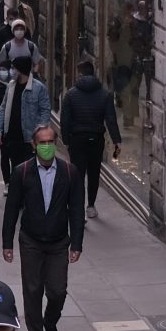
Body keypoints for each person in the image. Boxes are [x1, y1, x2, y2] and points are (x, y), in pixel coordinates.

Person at [2, 121, 86, 331]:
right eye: (42, 143)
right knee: (32, 290)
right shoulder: (22, 172)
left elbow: (77, 210)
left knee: (58, 290)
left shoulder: (70, 172)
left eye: (51, 142)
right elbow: (11, 209)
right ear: (34, 145)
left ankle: (50, 322)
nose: (47, 146)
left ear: (56, 143)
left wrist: (76, 243)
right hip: (31, 240)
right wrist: (7, 243)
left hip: (59, 242)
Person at [58, 58, 122, 218]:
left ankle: (78, 209)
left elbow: (65, 120)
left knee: (77, 174)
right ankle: (91, 206)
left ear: (79, 75)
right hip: (96, 138)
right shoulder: (105, 95)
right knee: (94, 173)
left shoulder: (70, 95)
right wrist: (116, 140)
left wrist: (65, 140)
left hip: (77, 139)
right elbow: (111, 119)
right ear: (93, 73)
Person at [0, 55, 51, 189]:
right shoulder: (11, 86)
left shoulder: (38, 88)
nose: (11, 71)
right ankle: (17, 196)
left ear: (20, 69)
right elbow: (3, 107)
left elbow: (45, 111)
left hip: (29, 137)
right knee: (16, 168)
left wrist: (40, 132)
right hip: (12, 134)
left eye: (13, 68)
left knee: (28, 169)